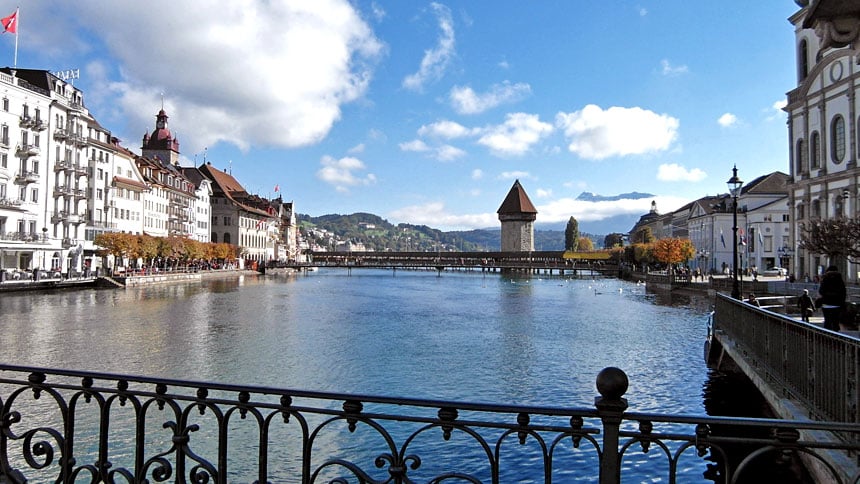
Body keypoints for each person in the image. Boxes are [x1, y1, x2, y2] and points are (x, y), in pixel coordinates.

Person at [818, 265, 847, 331]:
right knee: (835, 322)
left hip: (826, 304)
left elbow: (821, 291)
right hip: (837, 305)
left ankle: (827, 338)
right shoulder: (839, 279)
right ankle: (836, 338)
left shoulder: (825, 279)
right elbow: (843, 292)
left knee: (827, 321)